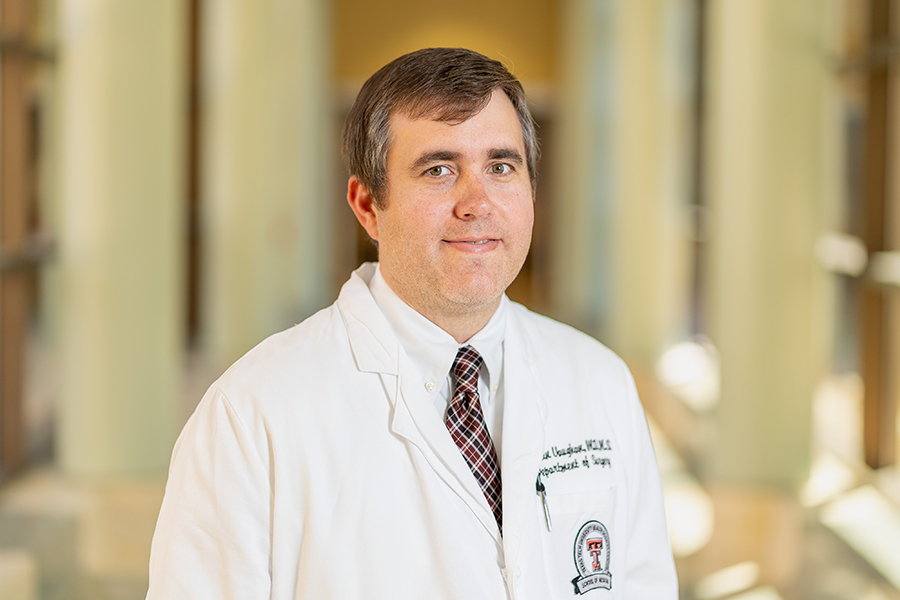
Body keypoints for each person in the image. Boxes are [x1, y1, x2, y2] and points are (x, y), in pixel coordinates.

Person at [146, 47, 677, 599]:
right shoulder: (252, 414)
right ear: (368, 205)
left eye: (501, 167)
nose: (478, 202)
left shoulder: (600, 381)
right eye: (439, 169)